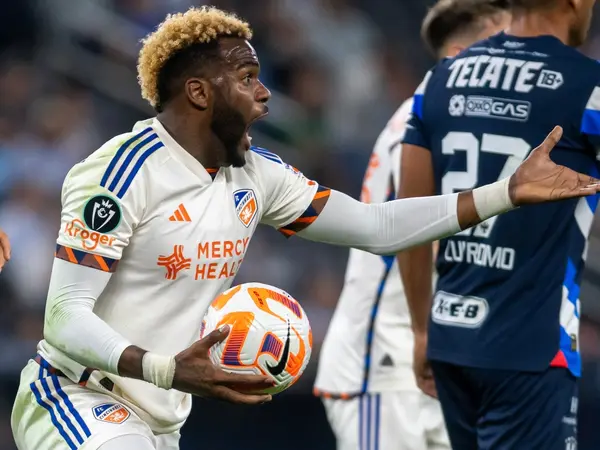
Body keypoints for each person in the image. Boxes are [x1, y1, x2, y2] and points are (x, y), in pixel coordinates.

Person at [10, 6, 600, 450]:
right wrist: (168, 369)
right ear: (198, 92)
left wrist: (504, 193)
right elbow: (63, 318)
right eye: (247, 77)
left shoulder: (257, 174)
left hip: (160, 415)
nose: (265, 92)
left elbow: (376, 225)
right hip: (76, 396)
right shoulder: (121, 173)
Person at [399, 0, 599, 449]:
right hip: (533, 348)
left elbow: (408, 215)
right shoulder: (589, 85)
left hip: (450, 337)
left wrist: (421, 330)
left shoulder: (439, 79)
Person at [313, 1, 509, 449]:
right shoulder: (423, 119)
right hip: (385, 361)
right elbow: (418, 231)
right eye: (503, 41)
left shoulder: (460, 119)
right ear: (462, 53)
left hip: (436, 361)